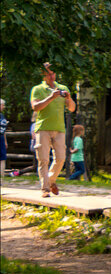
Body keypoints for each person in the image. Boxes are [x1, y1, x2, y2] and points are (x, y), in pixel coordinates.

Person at [30, 62, 76, 197]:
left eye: (53, 73)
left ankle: (50, 180)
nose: (51, 76)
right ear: (43, 76)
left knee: (61, 158)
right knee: (43, 159)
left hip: (59, 128)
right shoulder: (37, 89)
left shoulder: (63, 88)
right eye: (48, 74)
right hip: (42, 128)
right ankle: (45, 189)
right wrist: (51, 97)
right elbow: (36, 107)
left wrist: (68, 98)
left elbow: (72, 108)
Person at [0, 98, 8, 179]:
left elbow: (4, 130)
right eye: (2, 105)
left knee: (3, 157)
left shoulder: (2, 116)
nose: (3, 107)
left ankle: (2, 175)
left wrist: (5, 141)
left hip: (1, 137)